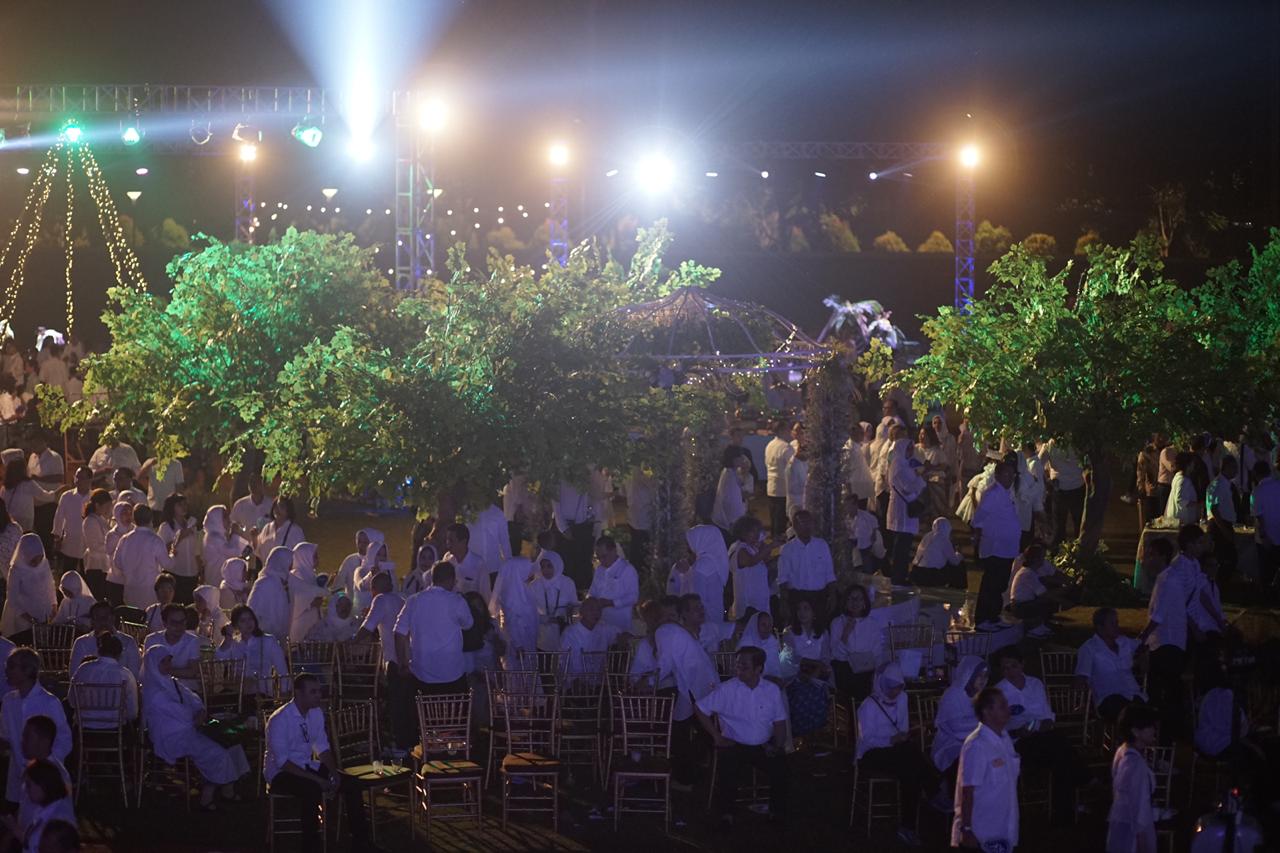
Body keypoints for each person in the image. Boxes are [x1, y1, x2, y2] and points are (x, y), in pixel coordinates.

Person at [263, 673, 374, 851]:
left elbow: (322, 747)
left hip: (306, 765)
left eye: (319, 691)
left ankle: (361, 842)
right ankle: (310, 846)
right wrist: (318, 779)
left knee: (352, 784)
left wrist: (334, 772)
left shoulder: (315, 713)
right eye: (313, 692)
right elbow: (283, 762)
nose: (318, 695)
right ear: (299, 694)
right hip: (280, 772)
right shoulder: (279, 720)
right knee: (311, 790)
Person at [141, 645, 249, 810]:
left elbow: (193, 698)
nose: (168, 665)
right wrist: (195, 715)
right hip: (171, 734)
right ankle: (208, 794)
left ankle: (228, 788)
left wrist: (199, 711)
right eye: (163, 662)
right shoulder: (153, 690)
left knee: (230, 742)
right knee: (215, 751)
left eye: (169, 661)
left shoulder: (172, 682)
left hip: (190, 726)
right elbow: (176, 711)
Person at [693, 646, 789, 828]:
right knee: (728, 768)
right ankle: (726, 814)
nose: (738, 670)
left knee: (781, 768)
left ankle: (776, 811)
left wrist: (777, 745)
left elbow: (779, 722)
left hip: (762, 744)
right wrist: (716, 736)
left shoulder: (771, 690)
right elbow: (699, 708)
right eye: (737, 666)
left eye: (744, 666)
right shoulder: (727, 689)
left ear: (758, 668)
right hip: (734, 743)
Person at [856, 664, 948, 845]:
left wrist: (899, 738)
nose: (894, 693)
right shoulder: (868, 706)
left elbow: (903, 727)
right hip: (871, 753)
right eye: (890, 689)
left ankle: (908, 827)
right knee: (910, 756)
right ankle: (933, 791)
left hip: (897, 750)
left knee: (910, 770)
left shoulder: (902, 698)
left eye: (897, 689)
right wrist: (891, 740)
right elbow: (866, 740)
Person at [994, 647, 1087, 826]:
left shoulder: (1035, 684)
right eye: (1005, 668)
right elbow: (998, 728)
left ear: (1022, 664)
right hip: (1018, 741)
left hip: (1042, 735)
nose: (1009, 671)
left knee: (1060, 756)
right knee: (1060, 748)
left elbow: (1046, 713)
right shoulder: (999, 691)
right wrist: (1018, 731)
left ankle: (1063, 811)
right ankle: (1084, 782)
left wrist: (1045, 723)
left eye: (1013, 666)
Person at [1138, 524, 1205, 740]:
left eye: (1149, 555)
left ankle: (1166, 742)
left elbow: (1158, 617)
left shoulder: (1169, 579)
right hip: (1171, 641)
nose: (1146, 560)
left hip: (1167, 644)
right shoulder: (1168, 577)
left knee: (1163, 697)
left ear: (1160, 557)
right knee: (1170, 694)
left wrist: (1140, 641)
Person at [655, 604, 720, 788]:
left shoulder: (665, 631)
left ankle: (690, 777)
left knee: (683, 732)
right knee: (686, 730)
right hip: (696, 687)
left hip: (698, 689)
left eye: (672, 615)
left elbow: (664, 664)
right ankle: (701, 773)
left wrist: (649, 682)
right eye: (665, 615)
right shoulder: (677, 632)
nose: (669, 619)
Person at [0, 649, 72, 806]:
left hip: (43, 780)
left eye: (12, 666)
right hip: (18, 776)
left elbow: (64, 739)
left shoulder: (49, 702)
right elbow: (6, 737)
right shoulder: (9, 701)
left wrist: (45, 766)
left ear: (27, 670)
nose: (6, 670)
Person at [952, 686, 1020, 851]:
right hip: (981, 833)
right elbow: (967, 791)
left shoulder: (1005, 739)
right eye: (1002, 706)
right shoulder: (977, 745)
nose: (1007, 709)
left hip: (1005, 828)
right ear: (987, 712)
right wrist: (966, 829)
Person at [393, 561, 473, 698]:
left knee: (425, 717)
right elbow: (468, 624)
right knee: (456, 717)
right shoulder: (457, 601)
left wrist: (403, 663)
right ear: (452, 580)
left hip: (422, 675)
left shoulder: (414, 601)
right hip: (452, 674)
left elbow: (399, 633)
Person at [356, 572, 409, 750]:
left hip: (393, 660)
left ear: (374, 590)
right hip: (407, 659)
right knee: (403, 702)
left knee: (396, 704)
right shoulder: (401, 600)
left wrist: (350, 644)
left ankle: (398, 745)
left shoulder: (380, 600)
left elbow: (367, 627)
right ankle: (406, 743)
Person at [970, 462, 1022, 628]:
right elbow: (978, 518)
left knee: (999, 584)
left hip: (1006, 549)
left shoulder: (1005, 493)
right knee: (991, 584)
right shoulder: (992, 494)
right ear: (998, 475)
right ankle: (983, 618)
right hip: (996, 548)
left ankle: (993, 616)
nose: (1010, 478)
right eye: (1007, 475)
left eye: (1012, 475)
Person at [1074, 607, 1147, 721]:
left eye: (1117, 622)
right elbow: (1082, 676)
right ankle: (1133, 736)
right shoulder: (1089, 648)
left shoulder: (1124, 642)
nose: (1117, 626)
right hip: (1108, 697)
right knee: (1131, 714)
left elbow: (1142, 646)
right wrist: (1080, 695)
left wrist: (1142, 659)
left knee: (1147, 710)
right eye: (1112, 623)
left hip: (1133, 693)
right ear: (1100, 627)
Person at [1107, 704, 1160, 853]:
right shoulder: (1135, 764)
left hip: (1120, 825)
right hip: (1132, 834)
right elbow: (1139, 812)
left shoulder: (1122, 752)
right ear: (1136, 731)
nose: (1154, 730)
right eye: (1149, 727)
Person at [828, 584, 888, 711]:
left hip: (866, 670)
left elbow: (877, 653)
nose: (855, 602)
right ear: (845, 602)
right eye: (851, 599)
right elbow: (836, 654)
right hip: (845, 670)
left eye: (859, 598)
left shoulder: (872, 624)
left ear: (865, 602)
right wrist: (846, 632)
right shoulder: (837, 622)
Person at [216, 604, 288, 698]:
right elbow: (220, 657)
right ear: (236, 625)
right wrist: (228, 635)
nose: (248, 623)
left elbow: (283, 671)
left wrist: (284, 693)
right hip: (238, 694)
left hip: (261, 695)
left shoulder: (268, 641)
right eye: (243, 621)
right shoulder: (234, 643)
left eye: (250, 619)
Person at [930, 656, 987, 775]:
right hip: (950, 743)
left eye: (985, 675)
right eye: (979, 675)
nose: (983, 680)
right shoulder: (953, 695)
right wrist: (984, 721)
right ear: (969, 674)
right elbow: (956, 728)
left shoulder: (980, 695)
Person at [69, 633, 139, 727]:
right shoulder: (126, 675)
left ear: (99, 650)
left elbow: (72, 700)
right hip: (115, 727)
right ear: (120, 653)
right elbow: (133, 712)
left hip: (84, 725)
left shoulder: (83, 669)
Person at [777, 510, 836, 621]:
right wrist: (783, 601)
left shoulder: (822, 545)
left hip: (819, 596)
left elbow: (829, 573)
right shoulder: (787, 549)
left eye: (809, 522)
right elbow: (782, 577)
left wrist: (832, 596)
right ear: (794, 526)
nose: (806, 526)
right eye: (802, 523)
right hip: (797, 597)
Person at [111, 505, 174, 609]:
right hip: (150, 592)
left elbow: (117, 562)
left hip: (130, 590)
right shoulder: (155, 540)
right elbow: (167, 565)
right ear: (151, 518)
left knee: (132, 622)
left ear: (134, 519)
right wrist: (173, 554)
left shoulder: (125, 539)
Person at [9, 759, 76, 853]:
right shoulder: (43, 809)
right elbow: (31, 843)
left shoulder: (60, 817)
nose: (26, 791)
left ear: (43, 784)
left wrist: (14, 827)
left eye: (29, 785)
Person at [668, 525, 730, 625]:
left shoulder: (702, 565)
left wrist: (684, 575)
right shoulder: (714, 562)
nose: (688, 545)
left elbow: (695, 598)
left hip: (703, 620)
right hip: (714, 616)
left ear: (700, 540)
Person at [1, 534, 56, 644]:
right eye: (33, 560)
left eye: (39, 558)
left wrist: (54, 604)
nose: (37, 562)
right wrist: (29, 618)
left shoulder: (44, 564)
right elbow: (12, 598)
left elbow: (50, 585)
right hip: (23, 616)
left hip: (42, 612)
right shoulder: (16, 570)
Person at [886, 436, 926, 585]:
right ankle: (898, 576)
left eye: (911, 448)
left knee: (904, 545)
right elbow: (908, 488)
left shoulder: (906, 464)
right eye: (908, 448)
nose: (911, 451)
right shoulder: (898, 466)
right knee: (901, 546)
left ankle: (901, 574)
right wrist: (919, 479)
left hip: (906, 510)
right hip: (901, 511)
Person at [69, 600, 141, 678]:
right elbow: (74, 674)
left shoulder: (128, 642)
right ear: (92, 621)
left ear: (113, 618)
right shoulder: (82, 643)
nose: (103, 621)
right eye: (98, 617)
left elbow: (135, 674)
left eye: (106, 617)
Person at [143, 602, 203, 691]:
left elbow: (193, 672)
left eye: (182, 622)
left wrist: (166, 671)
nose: (179, 626)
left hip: (186, 689)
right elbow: (148, 670)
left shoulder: (192, 641)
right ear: (164, 623)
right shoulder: (152, 640)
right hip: (158, 687)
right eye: (174, 622)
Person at [487, 556, 538, 659]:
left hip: (528, 642)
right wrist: (518, 645)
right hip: (520, 647)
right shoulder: (512, 597)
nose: (529, 575)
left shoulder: (524, 592)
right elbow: (512, 622)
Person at [528, 549, 579, 651]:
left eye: (549, 566)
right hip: (542, 632)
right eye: (542, 567)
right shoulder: (534, 586)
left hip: (563, 630)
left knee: (563, 662)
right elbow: (529, 611)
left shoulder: (567, 583)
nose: (545, 570)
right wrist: (545, 619)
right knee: (544, 663)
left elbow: (575, 607)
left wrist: (569, 612)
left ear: (557, 564)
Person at [587, 535, 638, 634]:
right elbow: (592, 592)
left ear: (614, 551)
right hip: (599, 625)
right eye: (598, 557)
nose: (601, 560)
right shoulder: (599, 570)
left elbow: (633, 597)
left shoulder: (627, 569)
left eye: (604, 556)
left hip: (619, 625)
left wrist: (611, 603)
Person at [558, 597, 621, 675]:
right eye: (591, 609)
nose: (595, 613)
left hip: (599, 683)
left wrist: (623, 637)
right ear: (582, 612)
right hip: (574, 682)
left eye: (598, 609)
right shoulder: (570, 633)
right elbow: (562, 661)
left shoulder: (604, 629)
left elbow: (621, 634)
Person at [728, 515, 772, 622]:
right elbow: (751, 561)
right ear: (743, 533)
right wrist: (771, 546)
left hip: (759, 600)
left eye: (758, 531)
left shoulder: (752, 547)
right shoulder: (740, 549)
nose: (756, 535)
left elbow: (765, 560)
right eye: (753, 531)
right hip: (748, 604)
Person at [1043, 440, 1086, 550]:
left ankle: (1058, 551)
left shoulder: (1050, 445)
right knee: (1078, 522)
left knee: (1059, 524)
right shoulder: (1078, 444)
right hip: (1077, 486)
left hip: (1059, 488)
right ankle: (1079, 550)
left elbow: (1039, 463)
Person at [247, 546, 294, 640]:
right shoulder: (264, 582)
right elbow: (253, 611)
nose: (291, 565)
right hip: (263, 639)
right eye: (290, 561)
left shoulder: (282, 582)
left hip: (278, 639)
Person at [1, 459, 59, 533]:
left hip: (10, 519)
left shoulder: (5, 487)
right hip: (25, 519)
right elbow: (43, 496)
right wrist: (55, 494)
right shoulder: (28, 484)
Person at [50, 467, 90, 574]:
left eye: (82, 478)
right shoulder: (67, 496)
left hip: (88, 546)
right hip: (70, 544)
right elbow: (59, 517)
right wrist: (57, 537)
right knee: (67, 574)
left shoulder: (94, 497)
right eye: (77, 477)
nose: (78, 480)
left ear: (89, 480)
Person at [909, 516, 966, 589]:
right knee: (960, 563)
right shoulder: (943, 539)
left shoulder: (927, 536)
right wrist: (959, 554)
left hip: (918, 574)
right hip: (933, 576)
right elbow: (954, 561)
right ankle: (958, 587)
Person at [200, 505, 247, 588]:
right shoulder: (213, 537)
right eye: (225, 517)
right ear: (216, 519)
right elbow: (233, 552)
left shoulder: (219, 535)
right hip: (215, 579)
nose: (229, 520)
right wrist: (235, 534)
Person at [443, 522, 491, 601]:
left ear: (463, 542)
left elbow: (485, 596)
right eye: (447, 540)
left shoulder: (479, 565)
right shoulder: (447, 559)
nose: (447, 543)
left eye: (451, 540)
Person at [78, 489, 113, 600]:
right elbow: (94, 546)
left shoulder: (101, 519)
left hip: (104, 565)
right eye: (107, 506)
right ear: (98, 505)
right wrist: (112, 547)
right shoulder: (90, 521)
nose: (109, 509)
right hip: (95, 566)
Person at [1252, 460, 1280, 591]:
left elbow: (1259, 515)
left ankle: (1266, 597)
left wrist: (1264, 535)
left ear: (1256, 474)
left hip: (1266, 538)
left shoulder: (1257, 491)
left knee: (1266, 570)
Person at [287, 542, 324, 641]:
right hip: (301, 624)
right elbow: (295, 599)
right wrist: (310, 603)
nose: (317, 559)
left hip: (313, 623)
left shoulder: (311, 575)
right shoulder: (296, 575)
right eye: (314, 556)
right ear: (304, 557)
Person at [764, 421, 795, 536]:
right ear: (782, 431)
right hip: (783, 487)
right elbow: (792, 469)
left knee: (774, 517)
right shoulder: (786, 448)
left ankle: (773, 540)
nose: (790, 433)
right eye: (788, 430)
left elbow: (766, 463)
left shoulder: (770, 445)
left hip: (771, 486)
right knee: (781, 519)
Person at [332, 528, 381, 601]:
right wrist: (343, 599)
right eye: (359, 542)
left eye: (365, 543)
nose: (361, 545)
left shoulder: (380, 561)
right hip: (352, 608)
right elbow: (338, 587)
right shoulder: (350, 560)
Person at [711, 451, 750, 540]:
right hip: (730, 519)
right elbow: (731, 499)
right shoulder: (729, 475)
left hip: (730, 517)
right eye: (741, 458)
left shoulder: (732, 472)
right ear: (734, 460)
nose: (743, 460)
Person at [101, 501, 134, 605]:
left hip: (133, 580)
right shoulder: (112, 535)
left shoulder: (136, 531)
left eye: (130, 513)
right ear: (117, 514)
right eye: (124, 513)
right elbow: (111, 557)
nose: (128, 516)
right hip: (116, 580)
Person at [735, 611, 783, 681]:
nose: (767, 628)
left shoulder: (772, 641)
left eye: (769, 625)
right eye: (763, 625)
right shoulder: (746, 643)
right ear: (755, 625)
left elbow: (776, 667)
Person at [228, 474, 272, 548]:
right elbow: (231, 526)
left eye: (256, 482)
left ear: (263, 484)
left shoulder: (270, 505)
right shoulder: (240, 505)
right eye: (251, 482)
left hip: (265, 550)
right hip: (244, 550)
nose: (253, 485)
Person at [255, 497, 304, 562]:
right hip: (267, 569)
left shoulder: (296, 531)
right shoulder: (267, 528)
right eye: (276, 507)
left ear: (289, 510)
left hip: (286, 571)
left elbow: (301, 556)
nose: (278, 510)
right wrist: (254, 538)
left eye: (282, 506)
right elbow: (259, 552)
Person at [1164, 451, 1201, 525]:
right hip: (1182, 520)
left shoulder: (1181, 478)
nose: (1193, 465)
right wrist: (1197, 504)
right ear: (1188, 465)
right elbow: (1180, 500)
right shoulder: (1182, 480)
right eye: (1192, 463)